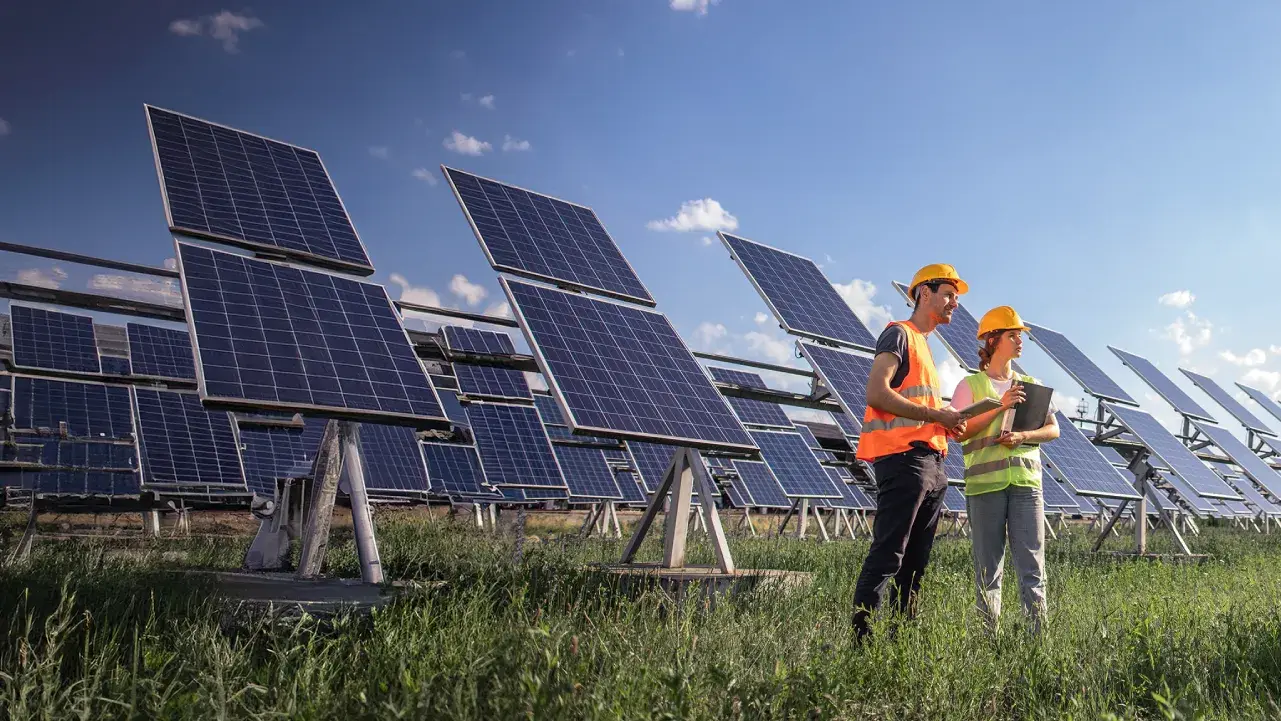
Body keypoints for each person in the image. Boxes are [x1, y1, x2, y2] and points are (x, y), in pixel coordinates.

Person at [851, 263, 968, 640]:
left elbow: (921, 408)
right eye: (948, 294)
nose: (954, 303)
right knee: (890, 554)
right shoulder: (899, 335)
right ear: (923, 293)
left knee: (916, 563)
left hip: (933, 464)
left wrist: (946, 424)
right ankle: (862, 641)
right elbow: (877, 393)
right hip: (904, 460)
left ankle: (900, 640)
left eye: (956, 297)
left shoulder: (926, 348)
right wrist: (936, 414)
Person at [950, 305, 1059, 635]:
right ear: (994, 340)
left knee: (1032, 566)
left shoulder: (1031, 384)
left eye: (1021, 335)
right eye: (1014, 335)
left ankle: (1038, 641)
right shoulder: (970, 386)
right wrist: (1001, 406)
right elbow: (959, 430)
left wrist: (1024, 435)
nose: (1020, 341)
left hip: (1027, 486)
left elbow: (1053, 430)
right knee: (988, 570)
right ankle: (988, 641)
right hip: (985, 488)